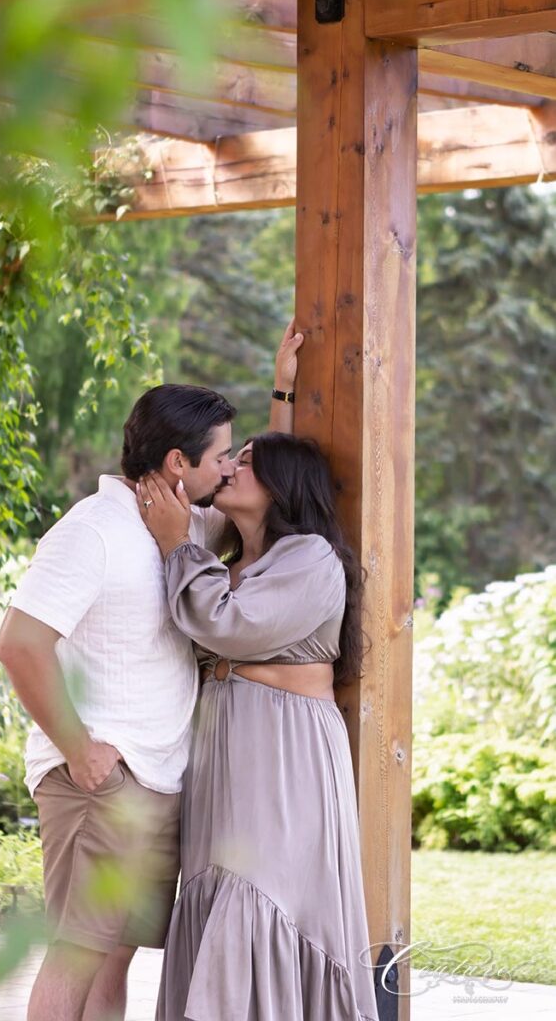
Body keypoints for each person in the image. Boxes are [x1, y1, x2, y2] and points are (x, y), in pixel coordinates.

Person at [0, 321, 304, 1021]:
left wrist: (282, 390)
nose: (230, 469)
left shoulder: (183, 527)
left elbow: (267, 488)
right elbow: (19, 644)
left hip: (158, 780)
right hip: (102, 780)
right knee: (76, 954)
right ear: (176, 462)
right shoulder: (92, 531)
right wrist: (80, 750)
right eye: (220, 457)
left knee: (113, 962)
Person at [137, 430, 379, 1021]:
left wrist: (177, 545)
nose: (228, 470)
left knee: (263, 890)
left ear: (281, 485)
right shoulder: (228, 564)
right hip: (222, 748)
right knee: (219, 884)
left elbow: (229, 625)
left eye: (246, 463)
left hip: (285, 751)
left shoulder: (310, 557)